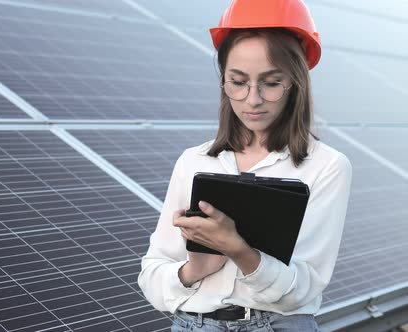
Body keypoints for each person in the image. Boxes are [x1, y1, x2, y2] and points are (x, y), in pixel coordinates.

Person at [137, 0, 352, 331]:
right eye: (238, 81)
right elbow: (152, 274)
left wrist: (238, 249)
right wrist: (195, 269)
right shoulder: (193, 161)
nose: (253, 99)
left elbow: (302, 290)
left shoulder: (327, 166)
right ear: (224, 81)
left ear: (295, 83)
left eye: (271, 82)